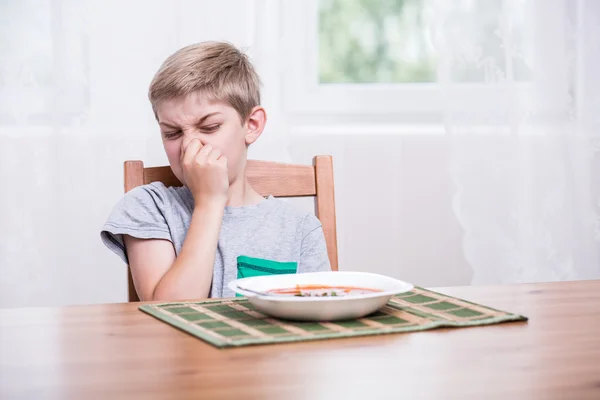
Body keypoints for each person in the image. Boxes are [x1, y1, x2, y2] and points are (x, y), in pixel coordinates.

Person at [101, 41, 330, 301]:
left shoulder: (300, 229)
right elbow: (168, 316)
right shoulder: (148, 207)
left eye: (209, 127)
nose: (189, 146)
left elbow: (319, 324)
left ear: (252, 125)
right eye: (172, 133)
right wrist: (209, 202)